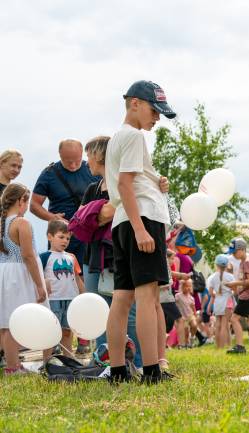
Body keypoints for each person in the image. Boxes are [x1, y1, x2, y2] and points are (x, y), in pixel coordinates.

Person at [104, 80, 177, 384]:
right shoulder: (134, 137)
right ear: (134, 103)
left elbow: (123, 183)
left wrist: (154, 180)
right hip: (142, 219)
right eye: (154, 109)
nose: (157, 117)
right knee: (148, 297)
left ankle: (118, 370)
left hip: (122, 220)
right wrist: (141, 230)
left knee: (122, 298)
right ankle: (151, 371)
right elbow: (124, 184)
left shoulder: (117, 138)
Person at [80, 136, 143, 367]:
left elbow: (112, 213)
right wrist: (98, 214)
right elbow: (81, 222)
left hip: (120, 256)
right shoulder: (92, 189)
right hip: (93, 258)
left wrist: (97, 215)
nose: (87, 162)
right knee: (97, 311)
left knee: (129, 312)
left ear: (99, 156)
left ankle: (136, 362)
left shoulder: (123, 185)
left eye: (89, 155)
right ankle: (104, 361)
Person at [0, 184, 49, 375]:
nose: (27, 206)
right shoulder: (21, 224)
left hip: (4, 272)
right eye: (27, 201)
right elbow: (28, 256)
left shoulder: (2, 223)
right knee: (15, 321)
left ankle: (11, 363)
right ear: (21, 201)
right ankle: (13, 367)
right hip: (19, 274)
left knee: (5, 321)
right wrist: (40, 284)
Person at [31, 139, 100, 265]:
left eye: (77, 161)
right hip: (61, 236)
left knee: (86, 278)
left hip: (89, 235)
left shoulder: (94, 170)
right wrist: (52, 217)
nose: (73, 165)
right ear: (60, 155)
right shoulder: (49, 174)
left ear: (82, 154)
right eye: (68, 162)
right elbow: (34, 205)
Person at [40, 220, 86, 355]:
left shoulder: (72, 257)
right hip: (53, 300)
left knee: (67, 332)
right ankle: (46, 362)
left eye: (68, 238)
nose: (65, 241)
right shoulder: (44, 257)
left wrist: (85, 296)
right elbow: (36, 276)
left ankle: (69, 360)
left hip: (70, 299)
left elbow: (77, 278)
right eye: (61, 237)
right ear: (49, 236)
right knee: (50, 332)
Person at [210, 254, 237, 349]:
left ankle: (219, 346)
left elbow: (211, 292)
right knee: (225, 325)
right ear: (227, 265)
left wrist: (217, 295)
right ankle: (223, 346)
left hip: (217, 302)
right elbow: (235, 290)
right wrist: (230, 293)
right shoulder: (230, 277)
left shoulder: (213, 277)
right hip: (227, 302)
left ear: (216, 265)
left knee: (218, 324)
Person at [174, 279, 206, 348]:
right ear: (182, 287)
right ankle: (187, 344)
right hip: (183, 317)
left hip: (190, 315)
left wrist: (195, 314)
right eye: (186, 286)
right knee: (186, 332)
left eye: (189, 286)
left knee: (194, 325)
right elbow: (174, 304)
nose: (188, 288)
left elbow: (193, 307)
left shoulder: (191, 298)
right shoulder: (178, 296)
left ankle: (192, 338)